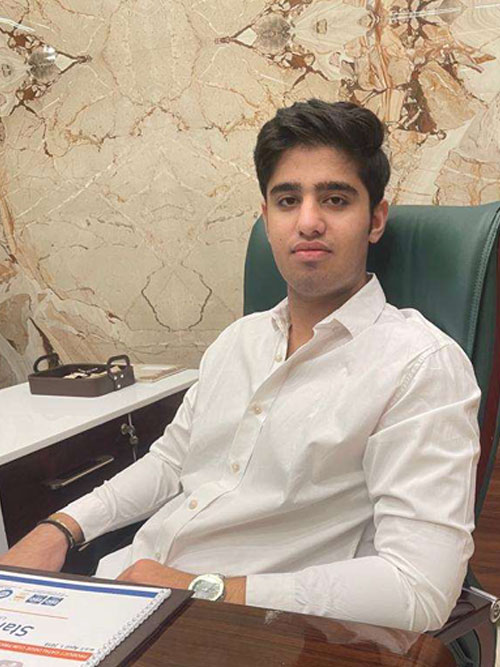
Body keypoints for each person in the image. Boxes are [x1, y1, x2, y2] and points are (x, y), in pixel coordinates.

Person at [0, 99, 480, 633]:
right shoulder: (238, 341)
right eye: (287, 200)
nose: (308, 221)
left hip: (259, 632)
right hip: (126, 590)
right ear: (266, 219)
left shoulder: (420, 366)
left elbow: (419, 589)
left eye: (336, 199)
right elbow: (170, 463)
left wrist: (201, 588)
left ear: (376, 220)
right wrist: (60, 528)